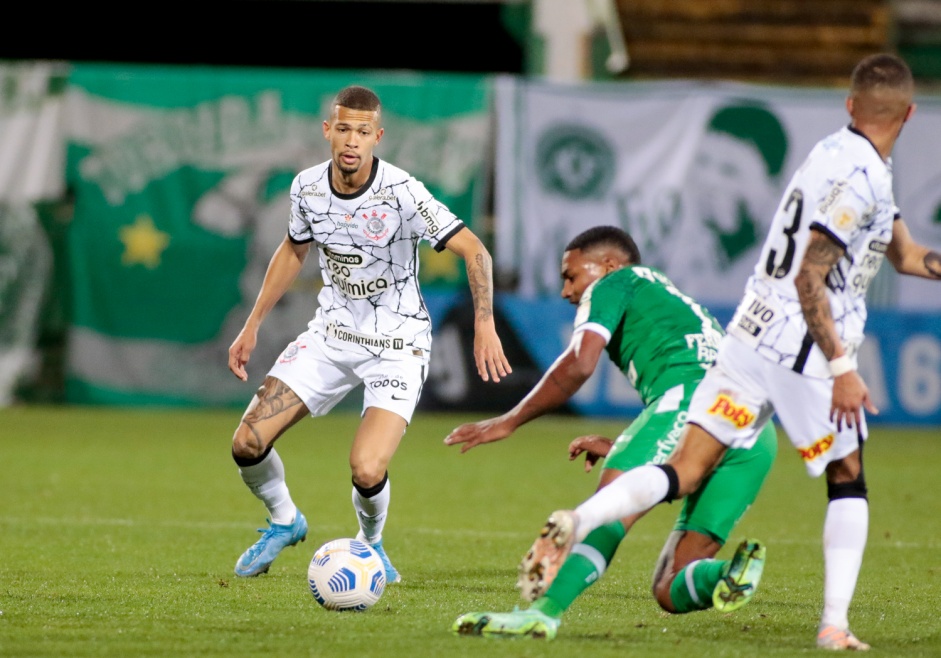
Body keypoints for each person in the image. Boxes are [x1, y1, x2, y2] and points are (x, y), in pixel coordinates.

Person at [524, 53, 941, 651]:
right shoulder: (864, 179)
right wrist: (844, 369)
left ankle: (582, 519)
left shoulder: (831, 154)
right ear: (911, 113)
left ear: (850, 107)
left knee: (684, 468)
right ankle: (834, 626)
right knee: (847, 477)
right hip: (805, 345)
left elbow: (903, 255)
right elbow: (810, 276)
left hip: (747, 333)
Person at [227, 85, 512, 581]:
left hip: (398, 345)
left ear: (377, 136)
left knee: (366, 468)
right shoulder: (307, 188)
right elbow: (293, 250)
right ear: (327, 132)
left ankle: (371, 544)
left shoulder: (403, 192)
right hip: (331, 335)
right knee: (247, 442)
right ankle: (284, 521)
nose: (351, 141)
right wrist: (252, 324)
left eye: (362, 132)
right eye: (343, 129)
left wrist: (484, 323)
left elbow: (475, 250)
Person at [445, 226, 778, 639]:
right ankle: (728, 572)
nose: (567, 291)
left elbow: (580, 364)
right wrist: (621, 443)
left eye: (571, 276)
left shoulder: (615, 282)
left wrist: (507, 420)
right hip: (755, 432)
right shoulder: (663, 294)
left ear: (607, 265)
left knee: (612, 508)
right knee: (671, 587)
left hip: (693, 401)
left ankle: (543, 613)